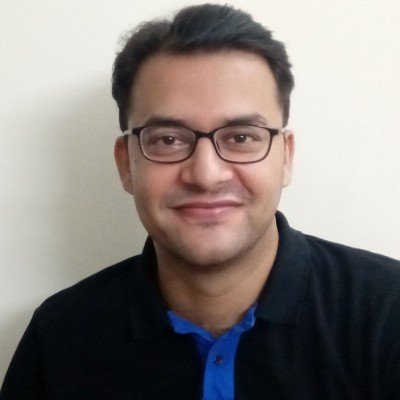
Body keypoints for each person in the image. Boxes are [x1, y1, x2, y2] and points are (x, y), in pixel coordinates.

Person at [1, 4, 399, 400]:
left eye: (241, 137)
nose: (206, 175)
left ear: (286, 158)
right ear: (126, 164)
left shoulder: (388, 314)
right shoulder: (60, 337)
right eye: (168, 139)